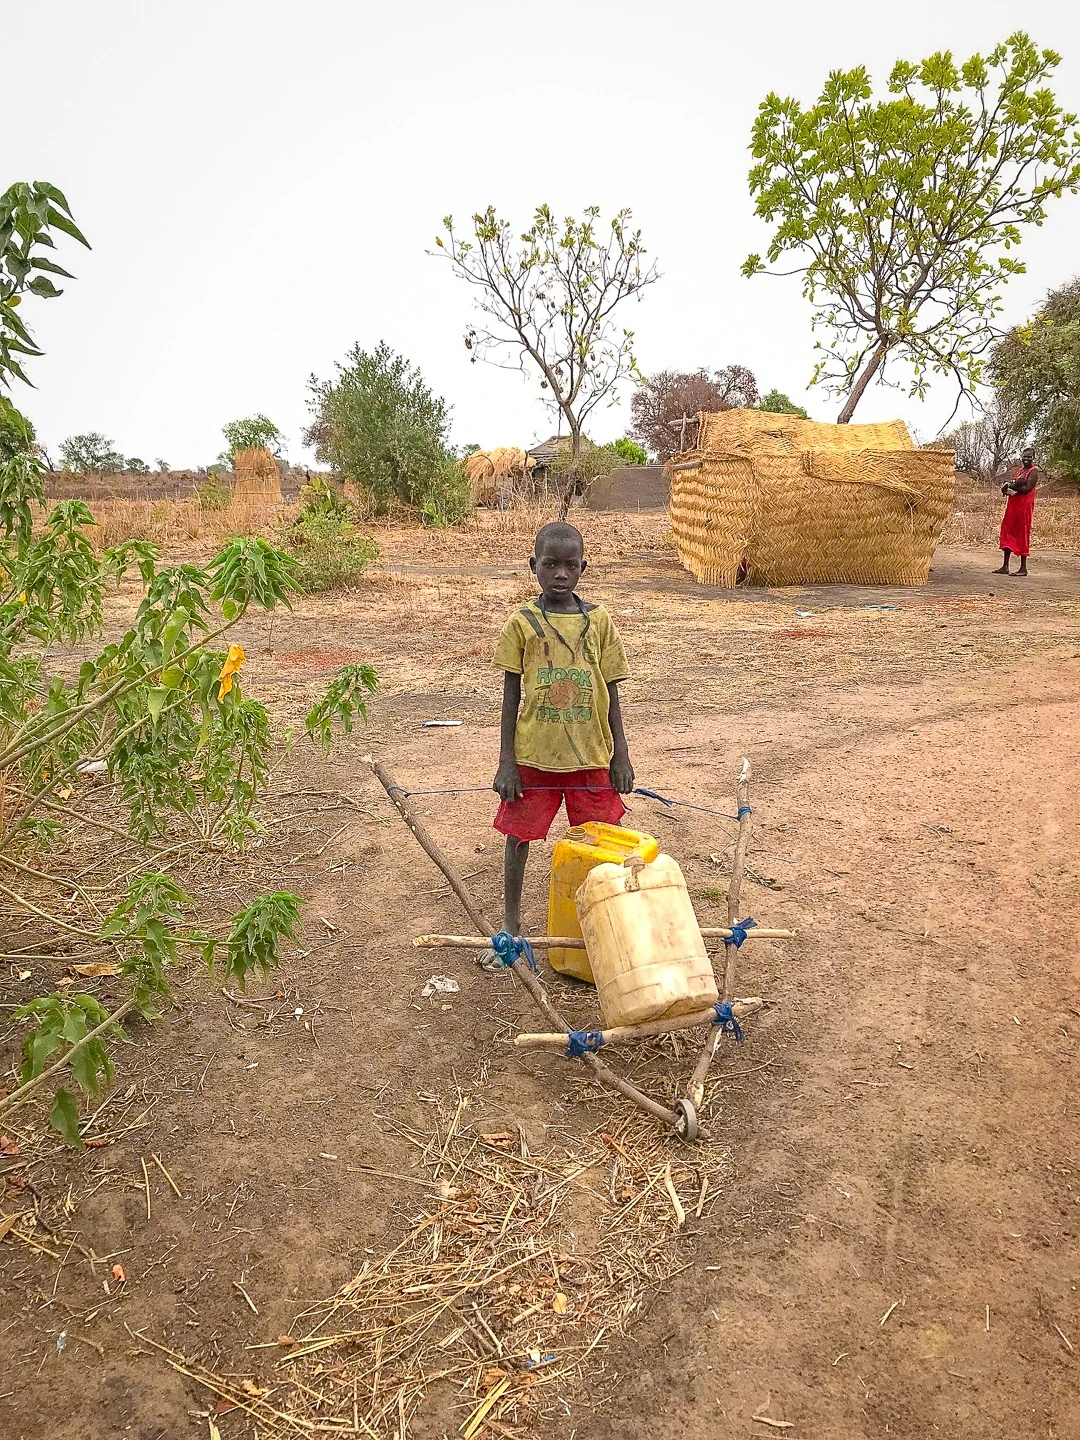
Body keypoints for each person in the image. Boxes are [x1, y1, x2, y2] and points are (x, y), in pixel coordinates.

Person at [488, 520, 634, 949]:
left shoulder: (600, 622)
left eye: (570, 566)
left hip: (591, 757)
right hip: (535, 755)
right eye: (550, 564)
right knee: (518, 838)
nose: (560, 575)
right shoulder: (522, 623)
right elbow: (511, 696)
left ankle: (603, 927)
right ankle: (511, 928)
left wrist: (620, 755)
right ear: (533, 565)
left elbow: (612, 691)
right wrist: (506, 761)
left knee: (602, 845)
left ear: (583, 568)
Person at [994, 446, 1039, 577]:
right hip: (1013, 505)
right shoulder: (1021, 470)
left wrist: (1010, 485)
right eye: (1024, 456)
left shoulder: (1034, 471)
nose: (1026, 459)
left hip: (1024, 507)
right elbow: (1018, 485)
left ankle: (1023, 568)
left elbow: (1026, 489)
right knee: (1007, 531)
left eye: (1029, 457)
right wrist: (1007, 488)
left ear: (1033, 458)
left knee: (1021, 533)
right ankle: (1005, 566)